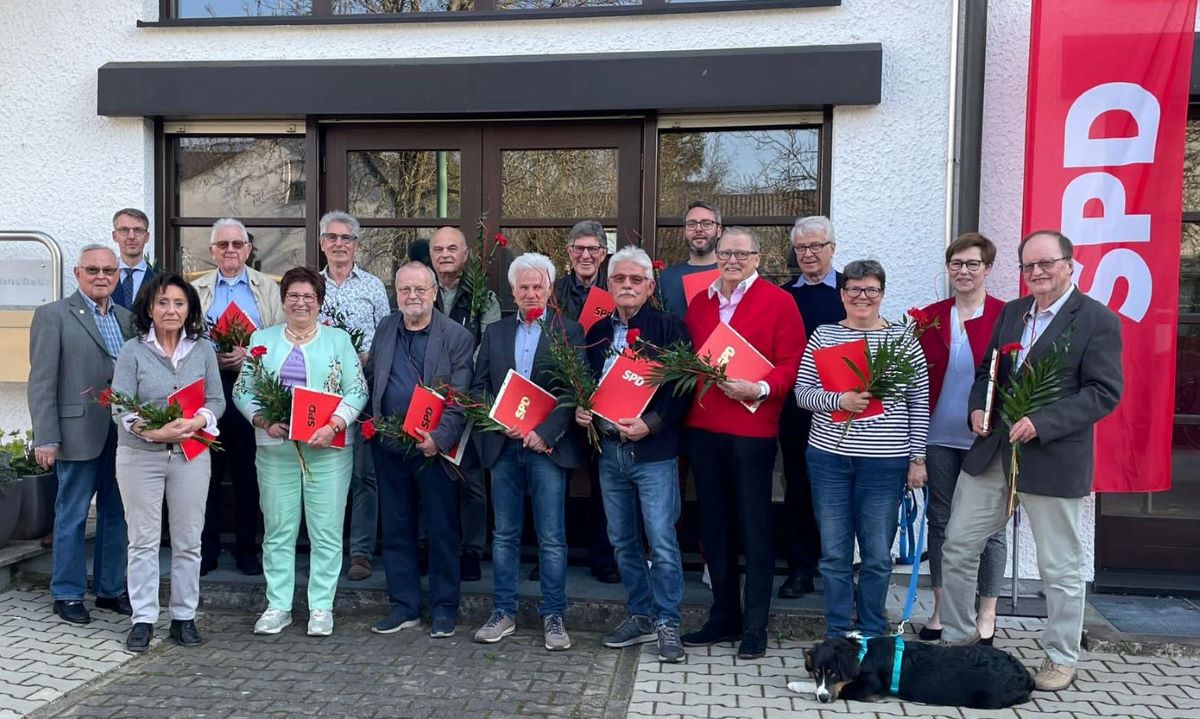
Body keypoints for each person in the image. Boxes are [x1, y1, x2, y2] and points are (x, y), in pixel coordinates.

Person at [940, 230, 1123, 692]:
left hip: (1053, 456)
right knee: (958, 545)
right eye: (1028, 266)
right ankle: (959, 641)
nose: (1037, 273)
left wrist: (1044, 422)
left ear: (1070, 265)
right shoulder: (1012, 313)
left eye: (1046, 264)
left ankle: (1061, 657)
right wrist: (979, 408)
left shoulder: (1097, 320)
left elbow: (1104, 392)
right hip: (994, 451)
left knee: (1059, 567)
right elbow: (989, 372)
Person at [681, 227, 806, 659]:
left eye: (741, 253)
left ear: (757, 257)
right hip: (703, 428)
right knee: (714, 527)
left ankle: (755, 625)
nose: (732, 259)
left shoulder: (779, 301)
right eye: (725, 252)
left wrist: (760, 389)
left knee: (754, 529)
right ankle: (723, 618)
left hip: (752, 429)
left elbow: (793, 361)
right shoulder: (701, 302)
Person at [794, 259, 929, 639]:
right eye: (854, 289)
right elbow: (802, 394)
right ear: (842, 294)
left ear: (883, 294)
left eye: (870, 290)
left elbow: (919, 402)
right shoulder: (823, 336)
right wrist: (839, 400)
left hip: (884, 463)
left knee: (875, 556)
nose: (862, 297)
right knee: (835, 555)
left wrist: (917, 458)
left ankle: (871, 631)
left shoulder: (903, 339)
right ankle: (837, 633)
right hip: (829, 460)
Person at [233, 266, 367, 637]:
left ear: (319, 301)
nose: (301, 302)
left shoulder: (338, 340)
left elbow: (357, 389)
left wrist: (335, 425)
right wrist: (261, 420)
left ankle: (321, 607)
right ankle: (278, 605)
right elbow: (242, 390)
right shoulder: (262, 338)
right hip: (275, 450)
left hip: (328, 450)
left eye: (309, 296)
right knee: (278, 529)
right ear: (284, 299)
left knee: (325, 530)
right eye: (294, 295)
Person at [575, 246, 691, 663]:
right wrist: (582, 408)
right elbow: (586, 382)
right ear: (609, 285)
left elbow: (683, 390)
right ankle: (640, 615)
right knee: (622, 540)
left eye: (635, 280)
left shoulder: (669, 329)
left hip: (653, 452)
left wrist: (653, 423)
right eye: (619, 279)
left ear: (649, 285)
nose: (626, 286)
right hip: (608, 452)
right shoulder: (597, 332)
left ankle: (667, 622)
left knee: (661, 540)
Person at [472, 252, 585, 651]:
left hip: (547, 448)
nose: (531, 293)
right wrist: (495, 418)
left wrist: (546, 433)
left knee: (552, 537)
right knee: (504, 535)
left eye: (538, 286)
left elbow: (576, 391)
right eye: (524, 287)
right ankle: (503, 612)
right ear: (514, 291)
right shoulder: (496, 333)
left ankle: (554, 615)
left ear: (550, 290)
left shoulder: (570, 332)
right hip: (503, 446)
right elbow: (479, 386)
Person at [110, 273, 224, 652]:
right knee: (142, 541)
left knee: (189, 540)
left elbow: (217, 401)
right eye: (162, 303)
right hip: (140, 455)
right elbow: (120, 405)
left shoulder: (203, 350)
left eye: (178, 303)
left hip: (191, 454)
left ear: (189, 308)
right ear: (149, 308)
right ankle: (143, 618)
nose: (170, 310)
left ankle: (183, 616)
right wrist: (153, 433)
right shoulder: (133, 351)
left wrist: (197, 422)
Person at [366, 262, 474, 638]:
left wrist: (439, 439)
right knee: (395, 528)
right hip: (390, 446)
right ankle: (404, 606)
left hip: (434, 451)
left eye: (419, 290)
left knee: (443, 529)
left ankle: (444, 609)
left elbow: (460, 397)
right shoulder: (385, 328)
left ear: (433, 293)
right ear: (396, 294)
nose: (412, 297)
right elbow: (372, 378)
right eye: (405, 290)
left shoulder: (457, 336)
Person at [28, 245, 133, 624]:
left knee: (116, 513)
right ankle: (68, 593)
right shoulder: (53, 315)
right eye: (93, 269)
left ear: (118, 276)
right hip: (75, 432)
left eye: (109, 270)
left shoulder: (127, 318)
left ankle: (109, 590)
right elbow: (41, 381)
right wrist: (46, 436)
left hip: (122, 432)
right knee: (71, 515)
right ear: (77, 273)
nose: (101, 276)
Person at [916, 233, 1005, 644]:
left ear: (988, 268)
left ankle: (986, 614)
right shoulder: (929, 317)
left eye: (972, 264)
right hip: (937, 437)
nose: (963, 272)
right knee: (941, 521)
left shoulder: (1009, 316)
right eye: (956, 264)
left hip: (987, 441)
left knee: (988, 528)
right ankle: (941, 609)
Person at [193, 218, 286, 576]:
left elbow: (280, 335)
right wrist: (209, 354)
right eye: (223, 245)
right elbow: (185, 334)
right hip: (208, 391)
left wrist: (250, 353)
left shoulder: (269, 287)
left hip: (253, 389)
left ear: (248, 249)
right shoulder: (196, 287)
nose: (230, 250)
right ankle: (207, 548)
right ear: (212, 250)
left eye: (237, 244)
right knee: (207, 473)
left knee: (251, 473)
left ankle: (248, 548)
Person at [317, 210, 391, 582]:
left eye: (346, 238)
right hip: (321, 396)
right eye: (332, 237)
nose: (339, 244)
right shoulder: (311, 287)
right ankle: (325, 547)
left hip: (363, 391)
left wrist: (367, 357)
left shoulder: (374, 286)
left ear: (357, 245)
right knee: (325, 475)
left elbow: (389, 337)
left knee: (365, 475)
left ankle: (360, 551)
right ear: (322, 244)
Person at [777, 215, 845, 600]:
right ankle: (800, 569)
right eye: (801, 247)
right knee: (798, 489)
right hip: (796, 411)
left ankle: (837, 568)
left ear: (832, 249)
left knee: (840, 492)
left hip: (844, 410)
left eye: (816, 246)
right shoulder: (785, 297)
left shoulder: (849, 293)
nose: (808, 254)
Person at [430, 225, 502, 581]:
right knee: (430, 475)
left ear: (466, 254)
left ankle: (472, 549)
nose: (445, 254)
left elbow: (485, 348)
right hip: (426, 398)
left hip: (467, 398)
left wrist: (456, 381)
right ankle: (432, 545)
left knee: (470, 477)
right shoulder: (422, 292)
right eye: (438, 249)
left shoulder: (482, 299)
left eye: (452, 248)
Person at [551, 220, 618, 583]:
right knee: (555, 478)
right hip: (562, 396)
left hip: (605, 398)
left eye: (594, 249)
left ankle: (604, 556)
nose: (586, 255)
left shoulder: (616, 286)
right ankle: (553, 555)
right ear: (569, 252)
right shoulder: (554, 290)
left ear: (604, 254)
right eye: (579, 248)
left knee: (603, 482)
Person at [658, 201, 722, 317]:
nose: (698, 229)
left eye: (706, 224)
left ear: (719, 231)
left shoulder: (733, 275)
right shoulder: (667, 279)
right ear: (684, 232)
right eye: (691, 224)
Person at [110, 208, 157, 310]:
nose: (131, 236)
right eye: (124, 230)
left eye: (138, 230)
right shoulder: (103, 279)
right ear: (114, 236)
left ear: (147, 237)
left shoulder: (159, 282)